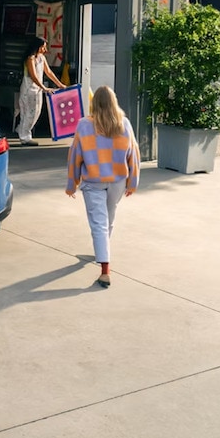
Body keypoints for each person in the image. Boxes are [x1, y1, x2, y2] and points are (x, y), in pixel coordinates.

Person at [65, 85, 140, 288]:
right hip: (117, 181)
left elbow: (75, 156)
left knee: (99, 223)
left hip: (93, 181)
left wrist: (72, 183)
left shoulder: (84, 125)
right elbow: (134, 153)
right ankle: (102, 249)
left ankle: (105, 270)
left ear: (94, 103)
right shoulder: (124, 123)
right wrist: (132, 182)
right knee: (109, 218)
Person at [17, 36, 65, 146]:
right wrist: (44, 88)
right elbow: (33, 76)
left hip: (37, 89)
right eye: (43, 47)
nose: (45, 49)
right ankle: (25, 137)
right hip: (29, 89)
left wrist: (59, 84)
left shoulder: (41, 58)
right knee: (29, 113)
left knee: (34, 113)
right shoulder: (30, 59)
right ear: (37, 47)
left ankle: (23, 132)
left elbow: (48, 72)